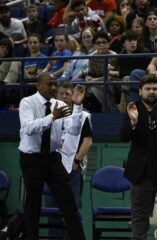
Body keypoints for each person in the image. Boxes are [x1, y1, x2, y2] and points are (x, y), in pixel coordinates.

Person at [18, 72, 86, 240]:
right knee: (33, 205)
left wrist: (77, 107)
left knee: (69, 202)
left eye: (55, 84)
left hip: (52, 158)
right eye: (50, 84)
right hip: (32, 158)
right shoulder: (27, 102)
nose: (54, 87)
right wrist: (52, 116)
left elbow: (74, 130)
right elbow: (28, 128)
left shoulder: (59, 104)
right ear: (38, 85)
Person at [120, 75, 157, 240]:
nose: (151, 92)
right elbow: (124, 137)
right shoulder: (132, 108)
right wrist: (132, 122)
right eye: (147, 89)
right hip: (141, 172)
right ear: (140, 91)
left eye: (155, 89)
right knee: (139, 216)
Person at [45, 82, 93, 238]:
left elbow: (87, 141)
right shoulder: (49, 116)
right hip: (51, 167)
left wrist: (77, 161)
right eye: (61, 93)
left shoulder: (83, 115)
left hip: (72, 168)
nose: (65, 96)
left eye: (68, 93)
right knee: (52, 210)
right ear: (56, 96)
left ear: (73, 96)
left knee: (73, 209)